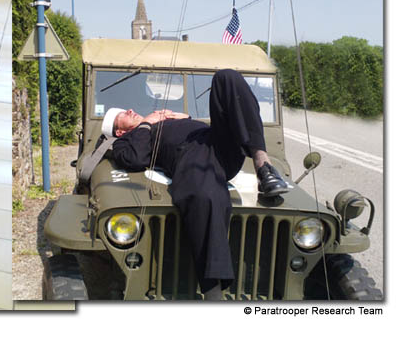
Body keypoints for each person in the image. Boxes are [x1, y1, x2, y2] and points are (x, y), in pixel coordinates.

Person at [104, 68, 289, 298]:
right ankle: (213, 293)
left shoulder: (169, 119)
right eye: (122, 114)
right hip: (190, 156)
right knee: (205, 194)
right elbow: (135, 159)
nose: (130, 110)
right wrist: (147, 124)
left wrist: (186, 119)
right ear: (119, 131)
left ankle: (263, 165)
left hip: (215, 143)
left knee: (226, 77)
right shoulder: (126, 141)